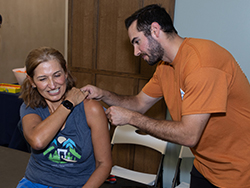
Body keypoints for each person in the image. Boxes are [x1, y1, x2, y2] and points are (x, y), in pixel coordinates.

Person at [81, 4, 250, 188]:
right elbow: (139, 103)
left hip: (240, 172)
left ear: (155, 30)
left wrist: (131, 118)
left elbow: (189, 135)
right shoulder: (165, 67)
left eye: (137, 41)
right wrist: (103, 94)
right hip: (206, 167)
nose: (136, 52)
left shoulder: (202, 62)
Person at [17, 47, 112, 188]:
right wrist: (68, 104)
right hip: (36, 183)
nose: (52, 84)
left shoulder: (91, 109)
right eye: (43, 79)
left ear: (66, 72)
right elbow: (38, 141)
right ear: (32, 82)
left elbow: (104, 164)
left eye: (57, 75)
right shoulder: (30, 107)